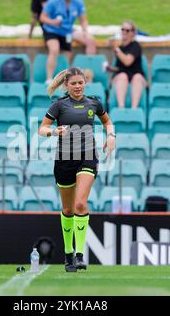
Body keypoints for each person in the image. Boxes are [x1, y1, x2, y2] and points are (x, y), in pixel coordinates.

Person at [38, 67, 115, 272]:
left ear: (85, 83)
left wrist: (111, 136)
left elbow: (107, 122)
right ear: (67, 85)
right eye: (74, 83)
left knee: (81, 204)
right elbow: (41, 129)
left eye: (81, 82)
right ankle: (68, 253)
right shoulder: (59, 105)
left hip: (88, 156)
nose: (78, 86)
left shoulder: (94, 102)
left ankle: (80, 255)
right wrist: (54, 132)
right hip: (64, 160)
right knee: (68, 209)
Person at [40, 0, 96, 84]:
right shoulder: (54, 0)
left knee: (90, 41)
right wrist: (53, 22)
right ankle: (49, 79)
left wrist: (85, 31)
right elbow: (42, 17)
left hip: (67, 31)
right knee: (54, 49)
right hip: (52, 30)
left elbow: (83, 20)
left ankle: (87, 77)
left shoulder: (78, 1)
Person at [106, 20, 147, 109]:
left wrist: (116, 49)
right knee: (122, 76)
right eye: (122, 29)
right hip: (122, 76)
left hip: (135, 76)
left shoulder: (135, 46)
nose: (124, 32)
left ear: (133, 33)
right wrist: (110, 68)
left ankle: (134, 108)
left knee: (137, 77)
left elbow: (127, 62)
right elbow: (120, 68)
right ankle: (121, 108)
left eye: (127, 30)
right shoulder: (120, 48)